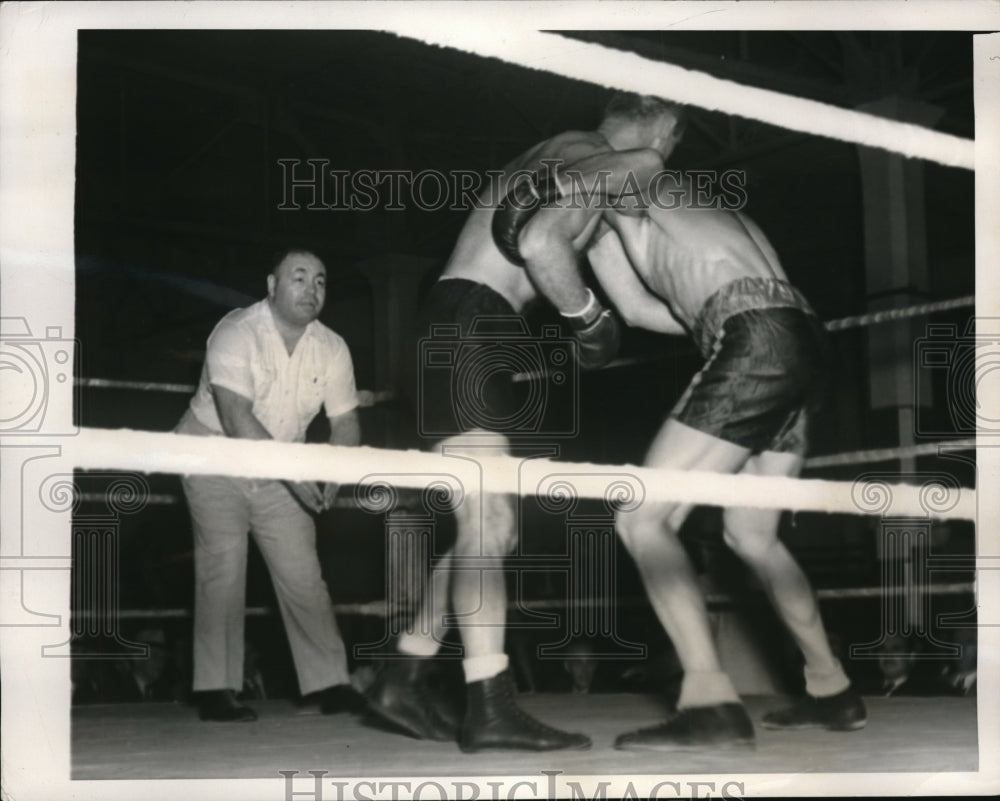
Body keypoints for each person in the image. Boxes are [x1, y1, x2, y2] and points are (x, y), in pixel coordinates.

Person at [363, 94, 687, 752]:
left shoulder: (574, 164)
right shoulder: (595, 153)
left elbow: (627, 299)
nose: (667, 155)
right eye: (674, 140)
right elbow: (543, 250)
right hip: (471, 323)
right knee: (490, 521)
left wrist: (716, 321)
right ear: (665, 122)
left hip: (475, 326)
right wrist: (584, 317)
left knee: (490, 529)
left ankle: (404, 673)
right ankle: (490, 703)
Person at [505, 173, 867, 750]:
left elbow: (555, 238)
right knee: (753, 536)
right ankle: (833, 688)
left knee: (641, 515)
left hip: (754, 336)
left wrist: (572, 295)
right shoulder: (704, 212)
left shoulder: (632, 179)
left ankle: (709, 703)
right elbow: (639, 309)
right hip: (803, 338)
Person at [175, 248, 366, 722]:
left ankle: (331, 683)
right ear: (272, 285)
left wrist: (335, 471)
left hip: (281, 458)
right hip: (214, 452)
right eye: (298, 278)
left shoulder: (333, 347)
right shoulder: (236, 331)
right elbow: (237, 417)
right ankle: (216, 690)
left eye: (320, 281)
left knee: (304, 574)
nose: (311, 289)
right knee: (224, 563)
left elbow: (345, 422)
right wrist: (296, 474)